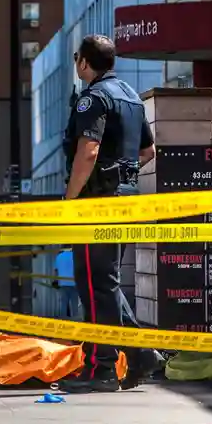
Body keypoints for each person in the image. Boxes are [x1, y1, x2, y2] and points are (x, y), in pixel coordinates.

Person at [59, 34, 163, 394]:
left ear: (84, 62)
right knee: (106, 283)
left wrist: (70, 200)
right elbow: (148, 151)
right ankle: (140, 354)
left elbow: (88, 152)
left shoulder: (94, 98)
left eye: (77, 58)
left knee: (94, 284)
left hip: (97, 203)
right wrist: (122, 175)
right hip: (125, 200)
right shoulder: (131, 97)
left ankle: (99, 368)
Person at [53, 249, 80, 320]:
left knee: (63, 304)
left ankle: (63, 321)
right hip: (74, 283)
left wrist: (55, 281)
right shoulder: (75, 256)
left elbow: (56, 270)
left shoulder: (59, 257)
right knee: (74, 305)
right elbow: (78, 269)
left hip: (62, 283)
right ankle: (75, 321)